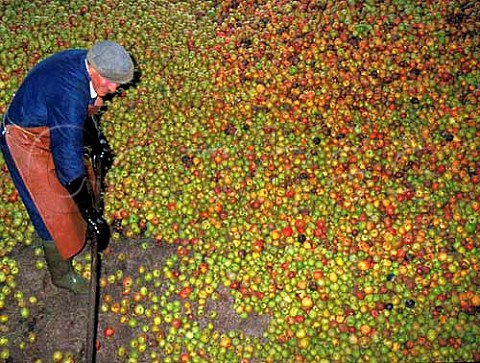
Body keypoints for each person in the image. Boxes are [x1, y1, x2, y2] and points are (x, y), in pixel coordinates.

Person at [0, 41, 134, 294]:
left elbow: (81, 111)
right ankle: (61, 275)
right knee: (50, 207)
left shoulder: (83, 63)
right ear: (93, 69)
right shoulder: (69, 95)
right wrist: (92, 216)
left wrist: (98, 141)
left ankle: (74, 228)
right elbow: (68, 162)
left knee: (76, 186)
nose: (114, 89)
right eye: (110, 81)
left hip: (49, 122)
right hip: (24, 136)